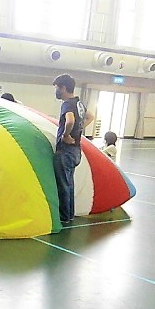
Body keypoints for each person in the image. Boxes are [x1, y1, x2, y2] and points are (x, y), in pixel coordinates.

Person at [52, 74, 94, 225]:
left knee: (63, 184)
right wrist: (79, 130)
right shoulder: (79, 103)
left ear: (63, 88)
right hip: (76, 150)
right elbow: (90, 116)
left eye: (57, 88)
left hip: (66, 150)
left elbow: (70, 120)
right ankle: (69, 215)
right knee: (69, 183)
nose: (56, 91)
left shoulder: (67, 104)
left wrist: (66, 135)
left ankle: (64, 217)